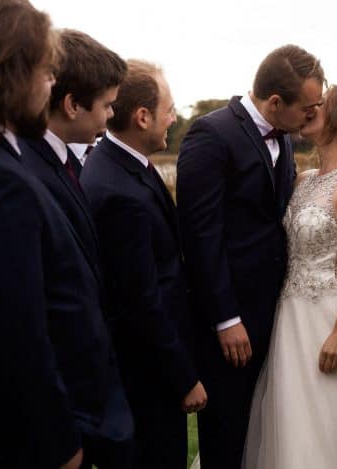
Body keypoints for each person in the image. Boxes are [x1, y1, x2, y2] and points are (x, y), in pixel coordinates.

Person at [0, 1, 93, 467]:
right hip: (2, 443)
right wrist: (59, 445)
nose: (51, 84)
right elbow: (13, 335)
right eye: (46, 70)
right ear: (10, 72)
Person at [176, 44, 324, 469]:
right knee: (226, 433)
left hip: (273, 312)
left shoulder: (285, 139)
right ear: (276, 102)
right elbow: (201, 235)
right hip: (231, 321)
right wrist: (225, 318)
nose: (312, 115)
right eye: (308, 108)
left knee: (262, 429)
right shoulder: (211, 134)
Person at [242, 85, 337, 469]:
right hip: (290, 316)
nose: (311, 108)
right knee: (291, 420)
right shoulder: (304, 178)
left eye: (321, 106)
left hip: (331, 313)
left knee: (335, 425)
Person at [81, 60, 206, 469]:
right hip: (146, 377)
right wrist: (183, 377)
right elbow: (141, 300)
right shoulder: (119, 193)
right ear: (142, 116)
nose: (173, 118)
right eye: (169, 109)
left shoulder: (123, 165)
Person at [19, 29, 134, 469]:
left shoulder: (62, 159)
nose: (109, 117)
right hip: (68, 400)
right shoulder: (24, 170)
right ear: (71, 104)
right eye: (107, 105)